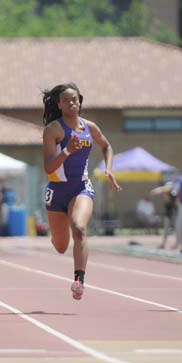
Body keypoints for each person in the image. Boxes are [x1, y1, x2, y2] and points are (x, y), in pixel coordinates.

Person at [42, 83, 121, 300]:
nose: (72, 103)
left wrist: (109, 168)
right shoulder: (53, 130)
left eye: (75, 99)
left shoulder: (90, 127)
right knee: (60, 246)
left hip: (81, 187)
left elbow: (106, 146)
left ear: (80, 101)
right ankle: (58, 233)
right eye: (66, 100)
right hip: (57, 190)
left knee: (79, 228)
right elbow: (48, 167)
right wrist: (68, 150)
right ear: (59, 104)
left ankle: (79, 280)